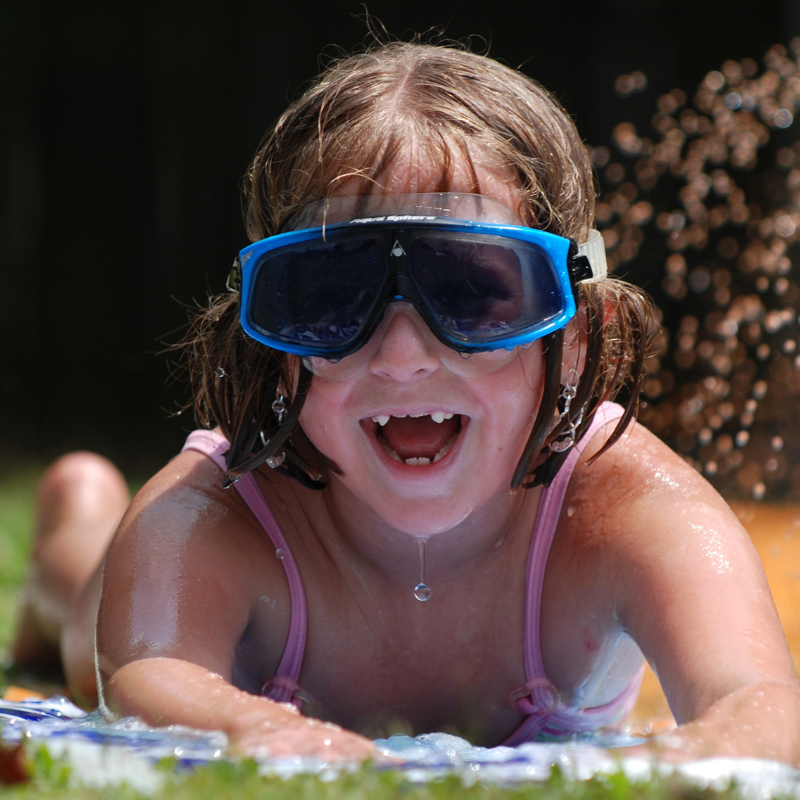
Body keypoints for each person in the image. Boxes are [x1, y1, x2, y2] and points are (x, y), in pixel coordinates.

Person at [11, 42, 800, 765]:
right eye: (330, 296)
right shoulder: (220, 515)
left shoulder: (621, 503)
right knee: (90, 623)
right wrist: (271, 733)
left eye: (473, 291)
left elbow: (761, 700)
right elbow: (149, 683)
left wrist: (686, 764)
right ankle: (75, 532)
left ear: (580, 333)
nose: (401, 355)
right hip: (122, 588)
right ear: (274, 350)